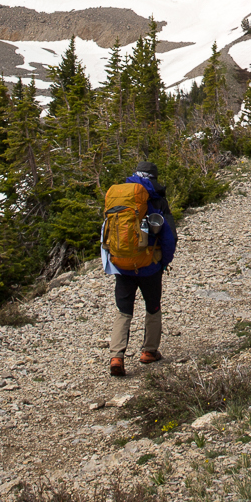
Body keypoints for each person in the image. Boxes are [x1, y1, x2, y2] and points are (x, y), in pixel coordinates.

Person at [102, 161, 176, 377]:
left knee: (124, 310)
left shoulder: (120, 196)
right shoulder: (157, 200)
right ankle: (149, 352)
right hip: (149, 264)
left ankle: (117, 356)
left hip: (122, 264)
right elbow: (169, 236)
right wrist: (164, 261)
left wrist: (113, 260)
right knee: (152, 306)